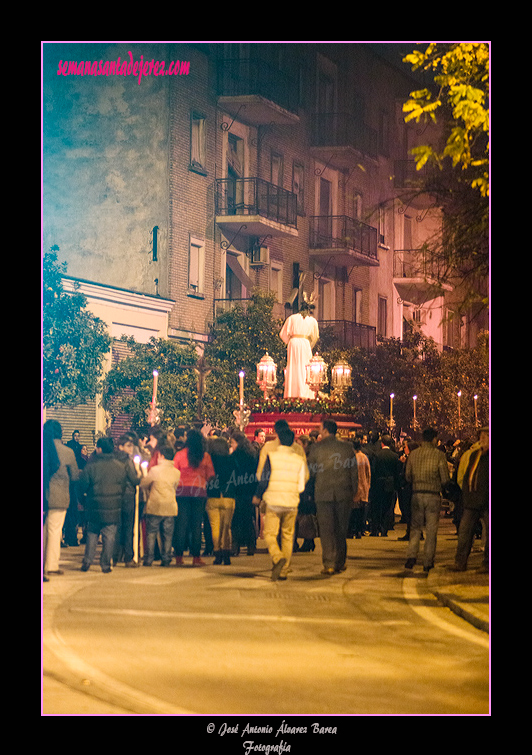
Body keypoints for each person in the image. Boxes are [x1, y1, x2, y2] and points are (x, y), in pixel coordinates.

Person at [255, 424, 309, 581]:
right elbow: (304, 478)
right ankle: (284, 569)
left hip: (273, 500)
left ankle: (277, 557)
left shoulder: (271, 455)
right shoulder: (298, 457)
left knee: (270, 534)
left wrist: (260, 494)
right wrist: (295, 491)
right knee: (287, 535)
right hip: (292, 501)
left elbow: (262, 477)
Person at [79, 437, 140, 573]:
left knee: (92, 534)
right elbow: (124, 484)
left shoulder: (91, 465)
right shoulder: (119, 466)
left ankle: (87, 561)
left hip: (94, 504)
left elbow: (82, 485)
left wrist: (84, 500)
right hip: (113, 505)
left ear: (99, 449)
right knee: (110, 535)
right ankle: (106, 563)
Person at [307, 419, 358, 575]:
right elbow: (353, 473)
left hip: (323, 493)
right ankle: (340, 561)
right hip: (344, 493)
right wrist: (354, 492)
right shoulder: (347, 448)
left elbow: (311, 472)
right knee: (341, 529)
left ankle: (329, 563)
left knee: (327, 529)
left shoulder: (316, 448)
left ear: (325, 430)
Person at [404, 427, 450, 572]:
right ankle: (428, 561)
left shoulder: (414, 454)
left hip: (416, 494)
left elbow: (408, 476)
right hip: (433, 495)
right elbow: (444, 479)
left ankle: (411, 556)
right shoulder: (439, 455)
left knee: (415, 528)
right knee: (431, 530)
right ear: (434, 439)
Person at [43, 420, 80, 577]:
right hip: (59, 497)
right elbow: (75, 476)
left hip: (44, 494)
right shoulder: (67, 452)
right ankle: (51, 564)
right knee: (54, 530)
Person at [173, 428, 215, 566]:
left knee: (181, 524)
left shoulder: (179, 455)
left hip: (182, 492)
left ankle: (179, 556)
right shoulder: (205, 456)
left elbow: (175, 472)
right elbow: (211, 476)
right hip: (199, 492)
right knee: (196, 524)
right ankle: (196, 557)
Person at [451, 427, 489, 572]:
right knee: (465, 532)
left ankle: (487, 563)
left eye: (486, 436)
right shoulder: (474, 455)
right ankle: (460, 562)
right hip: (472, 501)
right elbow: (467, 476)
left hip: (486, 501)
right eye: (482, 436)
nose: (483, 439)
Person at [140, 444, 182, 566]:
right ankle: (166, 557)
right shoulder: (176, 472)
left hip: (155, 505)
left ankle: (149, 558)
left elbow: (144, 484)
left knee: (151, 532)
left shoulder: (155, 470)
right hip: (170, 505)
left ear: (162, 456)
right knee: (168, 534)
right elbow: (175, 487)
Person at [279, 294, 319, 399]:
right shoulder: (312, 321)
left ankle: (292, 394)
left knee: (294, 368)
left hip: (293, 344)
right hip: (305, 344)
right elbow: (315, 337)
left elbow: (282, 334)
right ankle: (304, 394)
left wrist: (291, 342)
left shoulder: (291, 318)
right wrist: (308, 345)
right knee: (304, 369)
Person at [206, 437, 237, 565]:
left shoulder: (210, 460)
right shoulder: (231, 460)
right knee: (226, 527)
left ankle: (217, 552)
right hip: (228, 495)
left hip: (213, 495)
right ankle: (226, 553)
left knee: (215, 526)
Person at [114, 434, 142, 567]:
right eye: (128, 446)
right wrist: (139, 472)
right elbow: (135, 480)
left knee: (117, 527)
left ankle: (114, 555)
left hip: (115, 496)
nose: (131, 448)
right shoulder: (128, 462)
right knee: (128, 527)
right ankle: (128, 557)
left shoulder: (113, 460)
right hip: (128, 496)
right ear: (121, 447)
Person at [230, 431, 259, 556]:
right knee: (248, 518)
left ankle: (235, 546)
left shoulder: (235, 456)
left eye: (232, 442)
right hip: (250, 490)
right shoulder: (252, 454)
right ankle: (251, 545)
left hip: (237, 489)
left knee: (236, 519)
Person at [369, 435, 402, 537]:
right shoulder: (394, 456)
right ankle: (384, 530)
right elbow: (397, 472)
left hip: (378, 483)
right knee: (388, 507)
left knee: (376, 507)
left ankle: (375, 529)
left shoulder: (377, 455)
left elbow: (373, 471)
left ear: (382, 443)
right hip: (390, 484)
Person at [349, 437, 371, 538]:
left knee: (353, 511)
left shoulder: (351, 458)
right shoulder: (364, 457)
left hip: (354, 487)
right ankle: (359, 531)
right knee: (362, 510)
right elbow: (368, 473)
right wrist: (367, 485)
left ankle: (351, 531)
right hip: (363, 486)